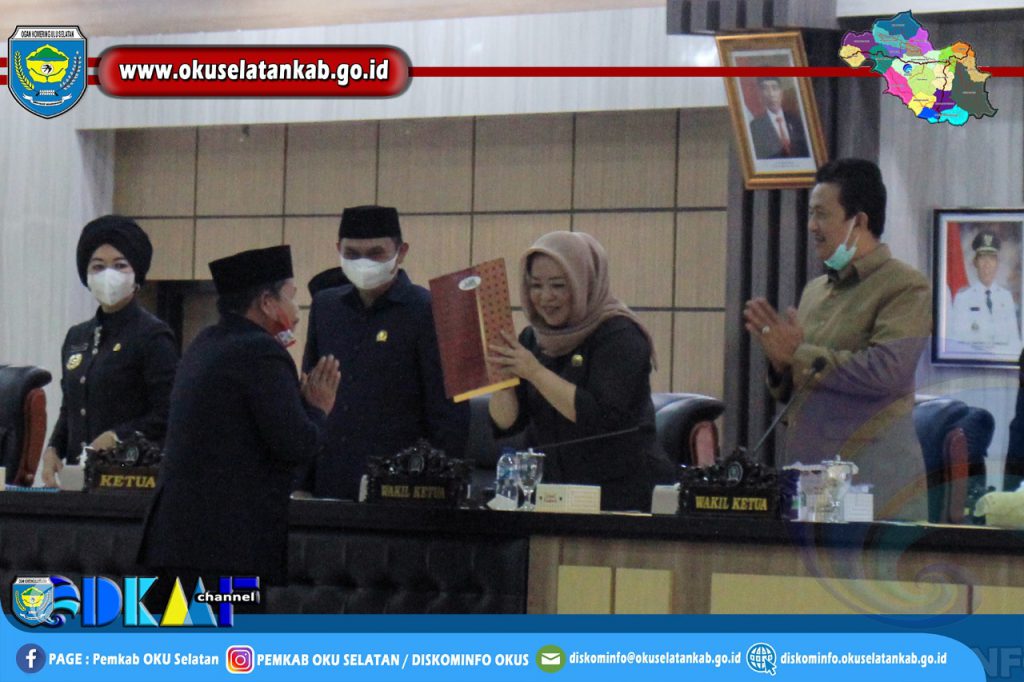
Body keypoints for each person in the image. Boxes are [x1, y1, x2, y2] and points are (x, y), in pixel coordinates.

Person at [138, 245, 340, 589]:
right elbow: (296, 444)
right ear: (267, 302)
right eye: (291, 297)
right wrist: (318, 408)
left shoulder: (204, 342)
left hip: (169, 540)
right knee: (228, 627)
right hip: (224, 552)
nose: (296, 312)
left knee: (170, 628)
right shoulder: (261, 351)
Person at [743, 158, 929, 521]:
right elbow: (800, 385)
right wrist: (781, 366)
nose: (811, 225)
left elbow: (886, 371)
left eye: (821, 214)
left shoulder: (905, 286)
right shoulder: (815, 291)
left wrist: (797, 354)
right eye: (811, 214)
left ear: (859, 222)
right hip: (809, 483)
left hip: (876, 487)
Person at [488, 231, 672, 512]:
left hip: (620, 495)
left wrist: (535, 372)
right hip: (551, 493)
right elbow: (508, 424)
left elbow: (598, 416)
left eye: (558, 285)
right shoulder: (532, 340)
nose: (545, 297)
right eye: (536, 285)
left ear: (585, 282)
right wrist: (501, 379)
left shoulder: (621, 335)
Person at [300, 205, 469, 499]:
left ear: (401, 252)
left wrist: (440, 488)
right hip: (331, 479)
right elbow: (309, 399)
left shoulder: (429, 310)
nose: (363, 262)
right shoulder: (326, 307)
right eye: (352, 254)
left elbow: (449, 417)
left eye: (376, 253)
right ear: (338, 250)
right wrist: (302, 482)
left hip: (402, 486)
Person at [41, 215, 177, 487]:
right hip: (77, 477)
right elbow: (70, 406)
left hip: (130, 478)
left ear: (136, 273)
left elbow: (168, 412)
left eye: (119, 265)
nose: (108, 275)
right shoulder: (77, 336)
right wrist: (54, 447)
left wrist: (118, 436)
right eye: (98, 266)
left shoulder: (153, 336)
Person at [949, 231, 1023, 354]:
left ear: (997, 263)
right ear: (975, 262)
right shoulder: (962, 299)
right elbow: (956, 343)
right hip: (973, 361)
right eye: (983, 258)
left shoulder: (1006, 298)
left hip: (1002, 362)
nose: (987, 264)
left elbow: (1015, 343)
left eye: (992, 258)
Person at [748, 76, 810, 160]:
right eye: (765, 89)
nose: (771, 94)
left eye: (774, 88)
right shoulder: (755, 126)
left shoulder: (796, 120)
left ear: (781, 93)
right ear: (761, 95)